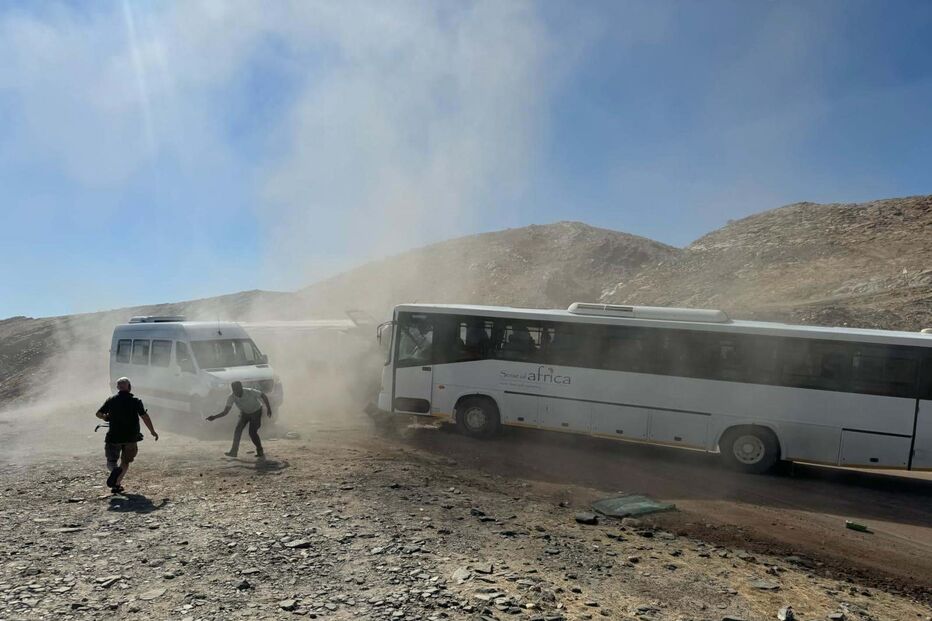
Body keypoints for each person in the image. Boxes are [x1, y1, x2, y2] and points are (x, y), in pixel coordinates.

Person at [95, 377, 159, 494]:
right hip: (131, 437)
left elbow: (98, 413)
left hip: (113, 436)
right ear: (129, 387)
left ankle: (115, 471)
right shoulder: (136, 401)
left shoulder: (111, 400)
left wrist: (106, 417)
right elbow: (144, 416)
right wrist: (152, 431)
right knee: (125, 461)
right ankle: (116, 484)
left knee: (111, 461)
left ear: (118, 387)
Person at [206, 381, 272, 459]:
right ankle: (234, 451)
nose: (236, 392)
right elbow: (226, 411)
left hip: (256, 412)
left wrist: (268, 408)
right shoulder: (231, 397)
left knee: (252, 432)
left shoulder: (249, 391)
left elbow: (263, 395)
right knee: (238, 430)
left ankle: (260, 450)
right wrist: (214, 417)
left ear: (241, 388)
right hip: (244, 413)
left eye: (237, 390)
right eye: (234, 390)